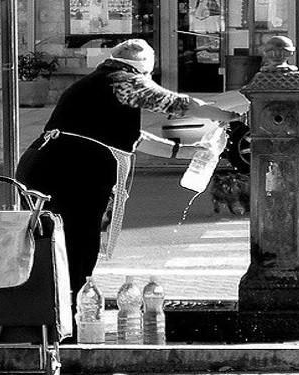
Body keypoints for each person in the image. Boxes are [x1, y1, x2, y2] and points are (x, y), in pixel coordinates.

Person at [15, 38, 240, 329]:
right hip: (68, 172)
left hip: (48, 166)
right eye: (150, 74)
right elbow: (176, 103)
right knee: (77, 247)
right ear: (144, 68)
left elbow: (134, 139)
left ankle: (56, 319)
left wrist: (184, 152)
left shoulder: (100, 85)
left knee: (60, 246)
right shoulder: (121, 81)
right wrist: (226, 114)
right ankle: (65, 324)